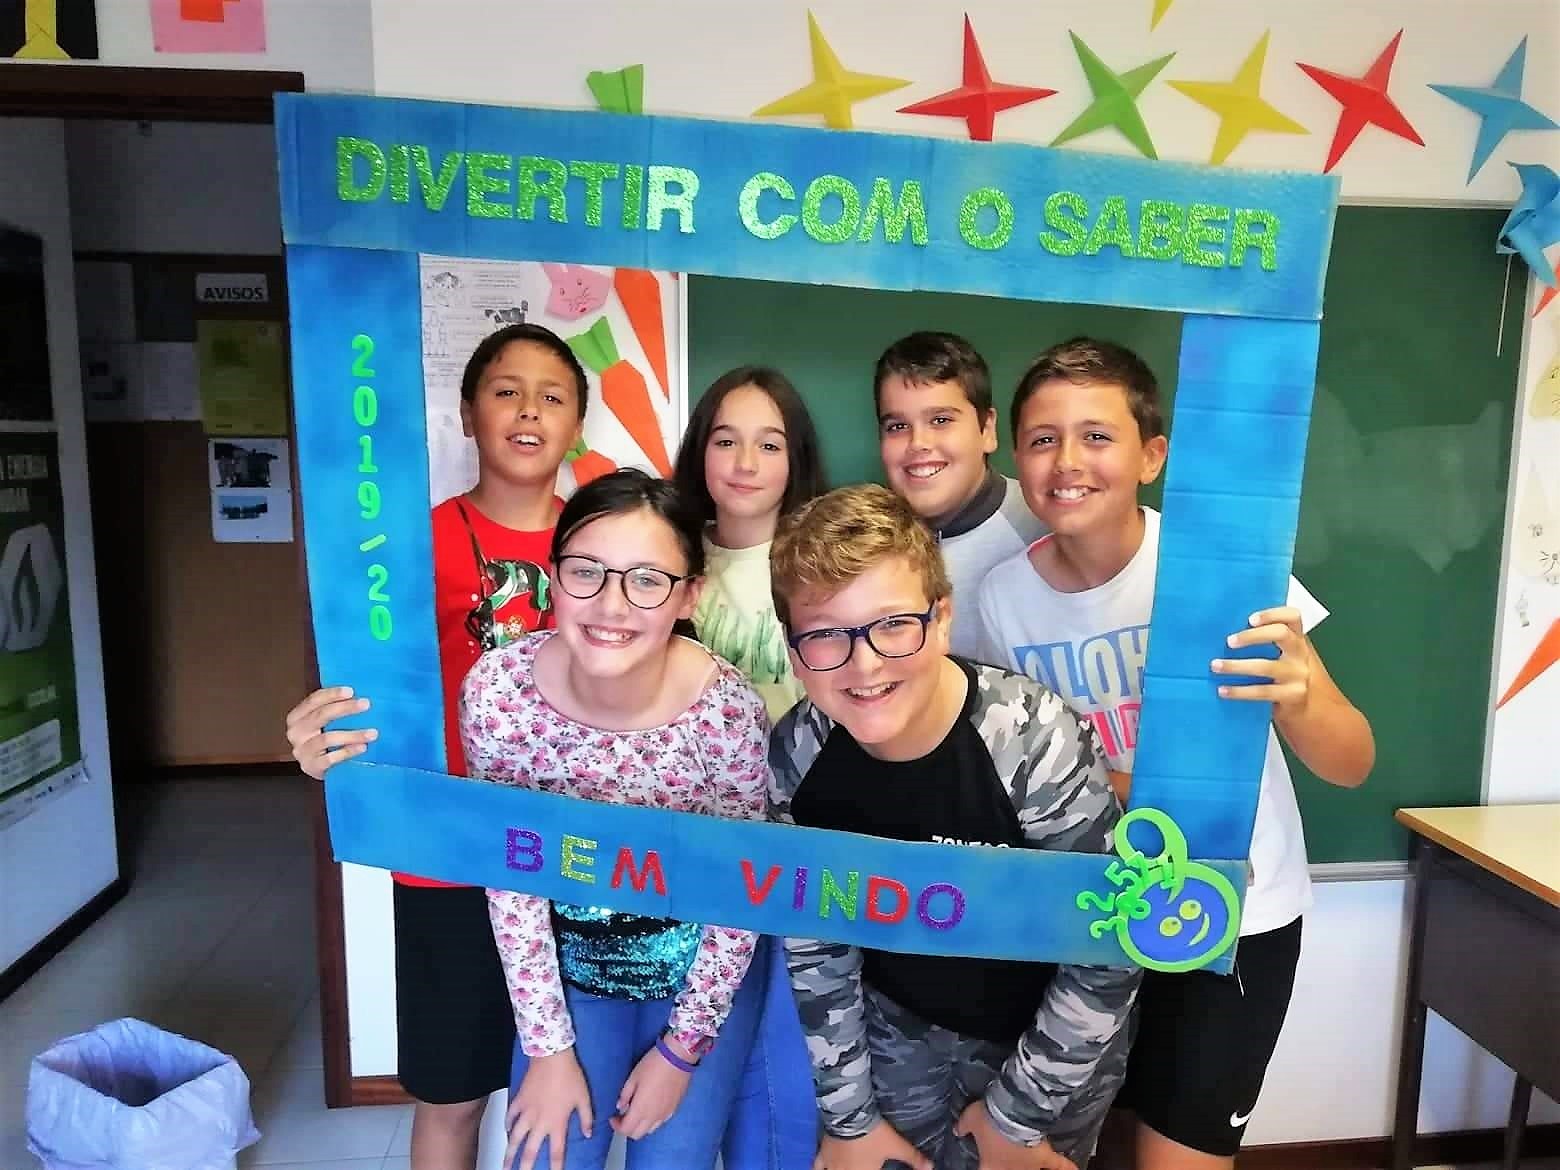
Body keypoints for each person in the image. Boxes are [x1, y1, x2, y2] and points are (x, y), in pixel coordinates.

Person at [975, 338, 1375, 1170]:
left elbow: (1352, 762)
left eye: (1097, 435)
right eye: (1044, 438)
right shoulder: (1001, 597)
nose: (1067, 460)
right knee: (1059, 1147)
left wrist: (1301, 700)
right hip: (1093, 916)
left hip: (1233, 917)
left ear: (1152, 456)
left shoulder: (1226, 571)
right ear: (1017, 455)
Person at [768, 483, 1141, 1170]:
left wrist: (1018, 1118)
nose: (865, 663)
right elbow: (816, 941)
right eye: (824, 634)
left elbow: (1108, 943)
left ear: (942, 619)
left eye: (893, 624)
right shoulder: (799, 753)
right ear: (794, 650)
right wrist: (849, 1121)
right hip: (894, 1031)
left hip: (1046, 1050)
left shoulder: (1033, 740)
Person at [284, 322, 585, 1170]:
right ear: (466, 414)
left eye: (552, 397)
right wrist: (322, 736)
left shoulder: (603, 545)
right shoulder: (403, 551)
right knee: (452, 1095)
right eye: (506, 391)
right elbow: (355, 689)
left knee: (570, 1091)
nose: (528, 411)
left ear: (576, 426)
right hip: (447, 856)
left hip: (576, 853)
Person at [467, 470, 771, 1170]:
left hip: (698, 974)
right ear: (552, 576)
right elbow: (510, 878)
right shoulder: (499, 692)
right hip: (568, 973)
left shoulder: (728, 712)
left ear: (689, 595)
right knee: (547, 1152)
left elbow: (740, 893)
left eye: (647, 581)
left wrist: (682, 1051)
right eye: (586, 572)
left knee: (674, 1158)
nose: (612, 604)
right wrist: (548, 1051)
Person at [671, 365, 828, 1168]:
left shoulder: (821, 563)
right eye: (725, 440)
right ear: (699, 449)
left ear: (795, 458)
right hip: (692, 854)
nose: (743, 462)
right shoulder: (669, 559)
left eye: (769, 444)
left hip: (801, 847)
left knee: (784, 1073)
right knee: (697, 1059)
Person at [873, 331, 1043, 659]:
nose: (918, 443)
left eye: (940, 420)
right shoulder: (868, 546)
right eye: (897, 427)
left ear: (987, 430)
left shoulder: (1042, 524)